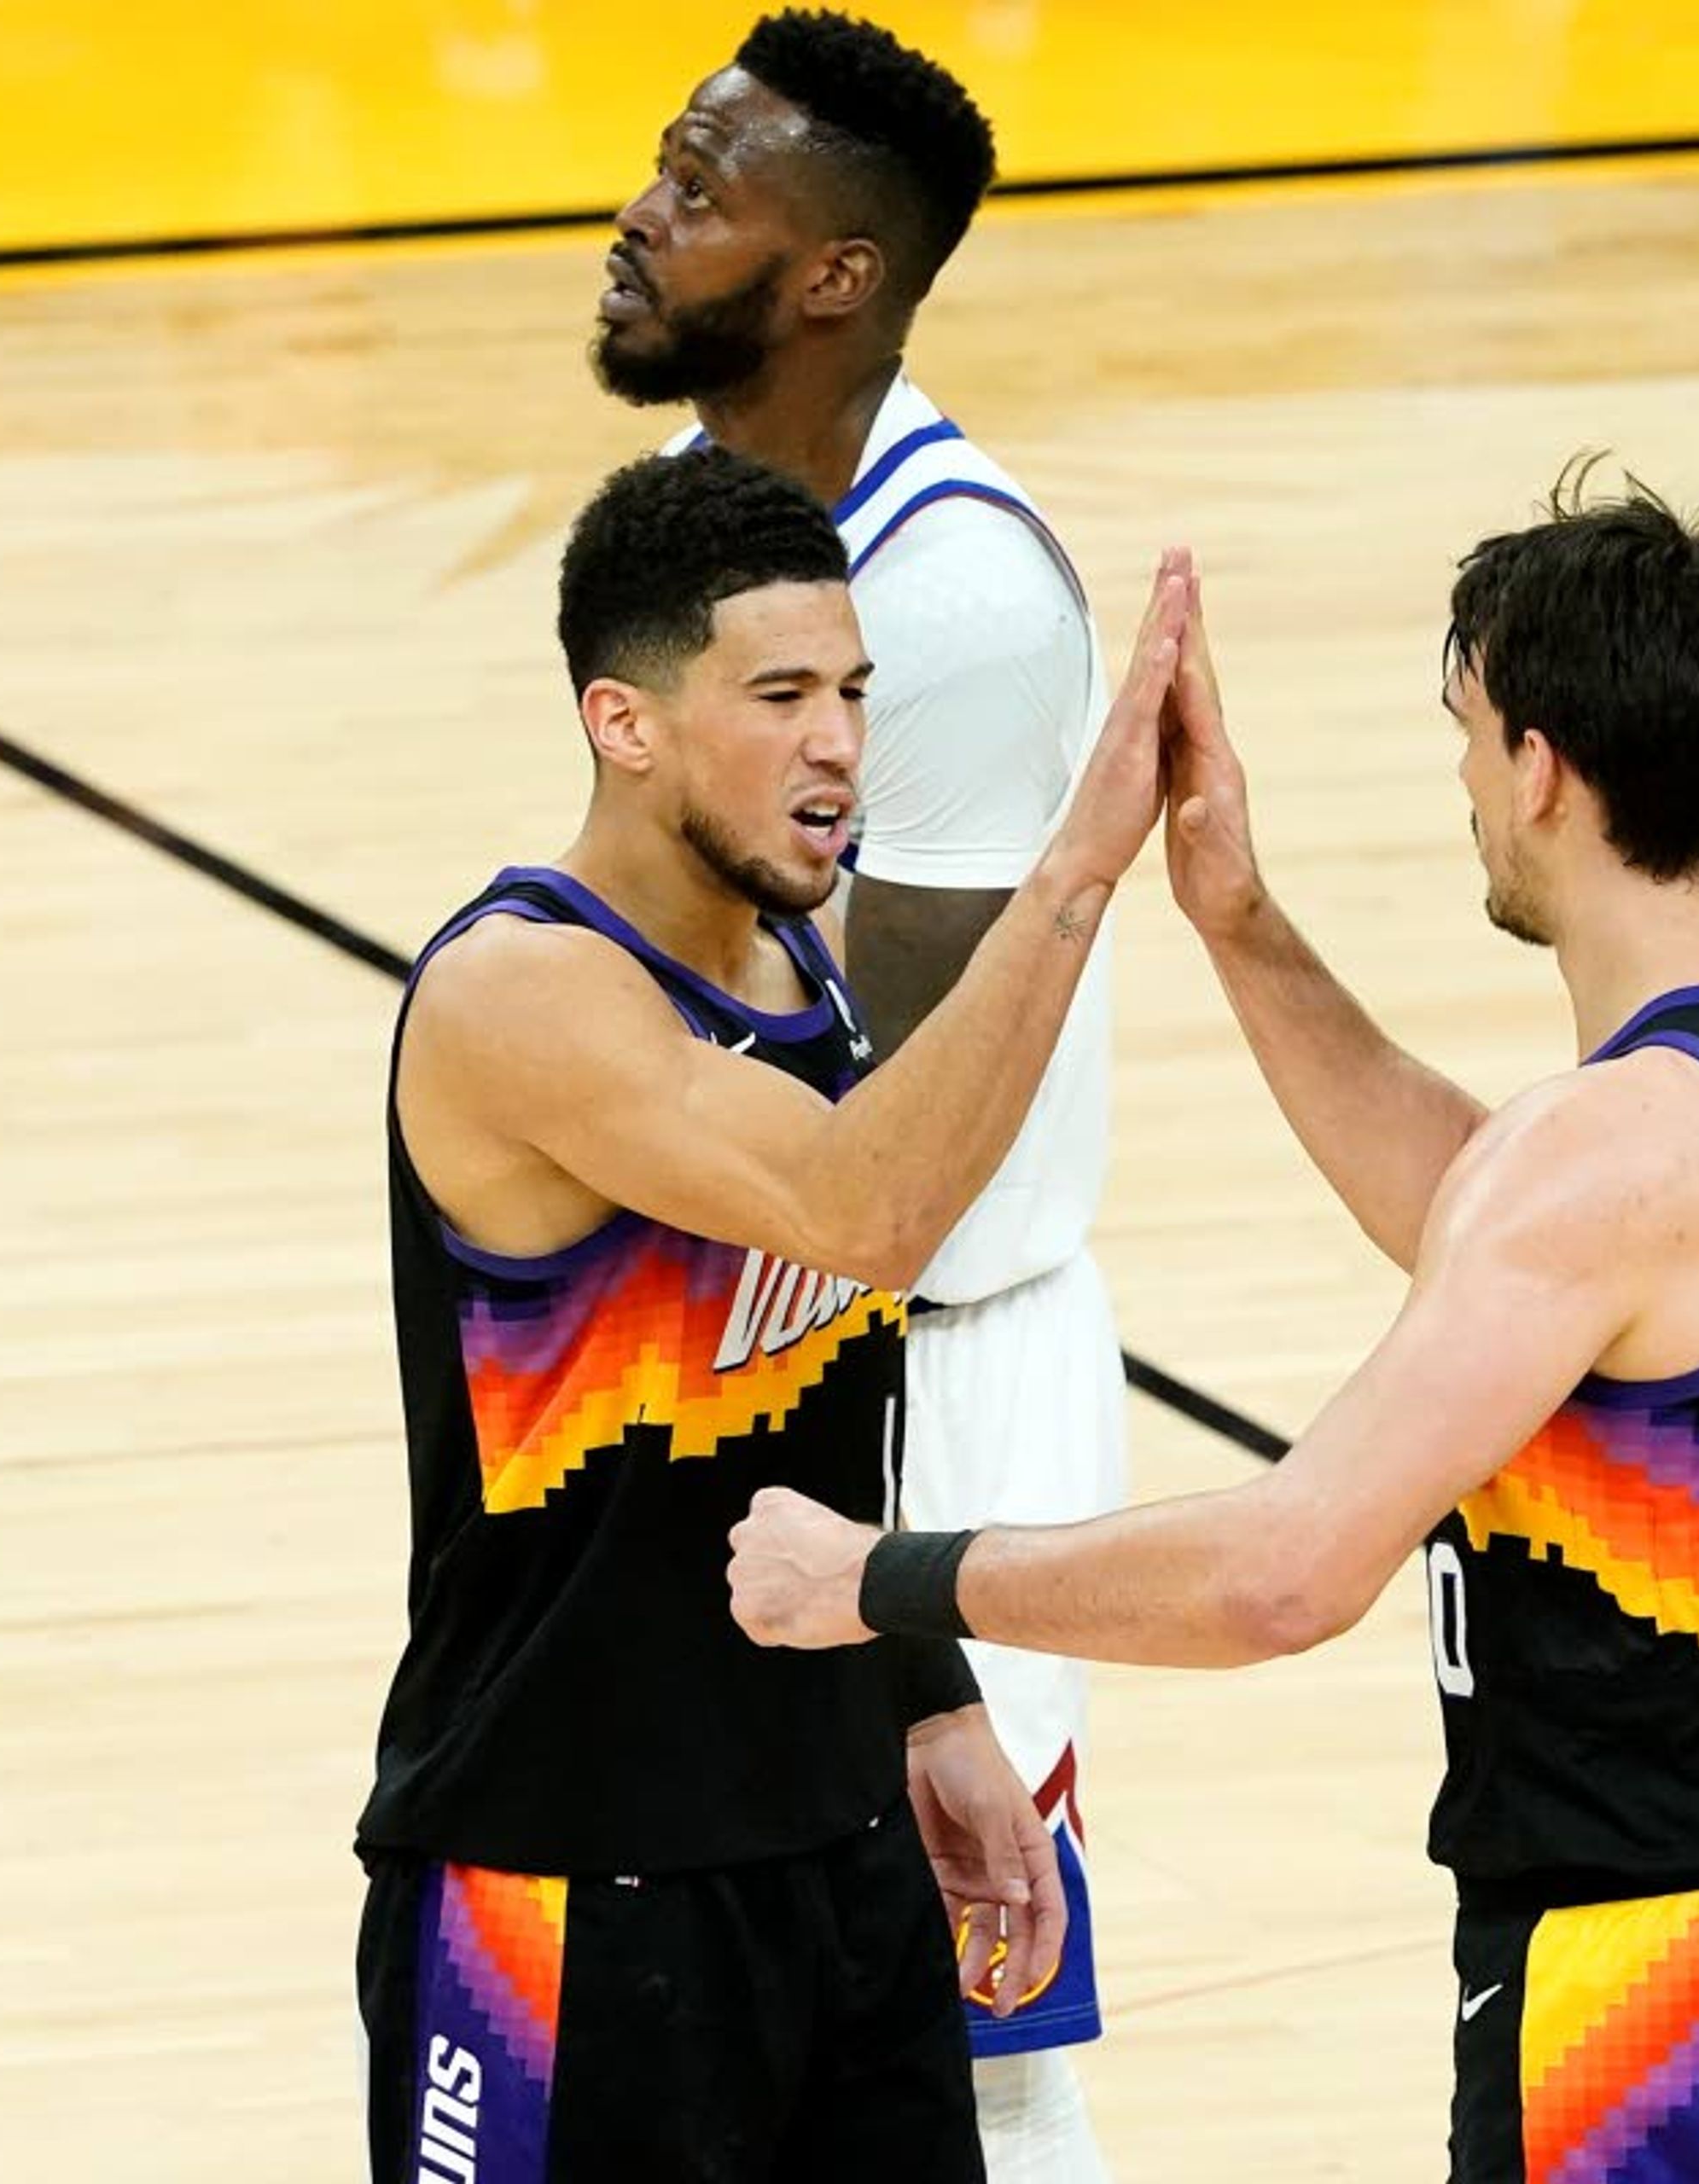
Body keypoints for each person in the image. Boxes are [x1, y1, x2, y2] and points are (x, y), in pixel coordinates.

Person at [732, 471, 1699, 2182]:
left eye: (1469, 737)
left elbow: (1283, 1570)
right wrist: (1234, 914)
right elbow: (1500, 1233)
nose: (1465, 785)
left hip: (1663, 1991)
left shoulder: (1610, 1160)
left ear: (1540, 766)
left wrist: (878, 1580)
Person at [355, 441, 1190, 2184]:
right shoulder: (528, 993)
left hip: (835, 1849)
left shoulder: (795, 966)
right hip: (567, 1880)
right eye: (784, 693)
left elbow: (818, 1419)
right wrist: (1076, 869)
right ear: (625, 719)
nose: (838, 742)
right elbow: (868, 1213)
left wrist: (936, 1705)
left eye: (859, 692)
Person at [592, 15, 1131, 2175]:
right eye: (665, 160)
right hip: (751, 1335)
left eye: (703, 191)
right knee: (744, 2000)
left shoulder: (958, 598)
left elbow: (898, 1111)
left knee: (979, 2032)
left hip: (944, 1363)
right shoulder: (677, 514)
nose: (642, 212)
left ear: (834, 276)